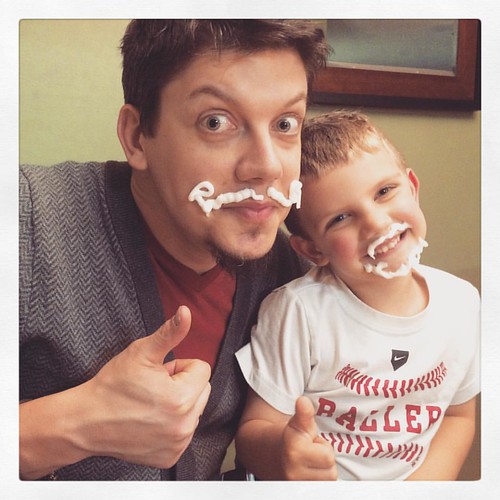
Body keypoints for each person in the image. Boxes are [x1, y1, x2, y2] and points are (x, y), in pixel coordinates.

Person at [19, 20, 329, 480]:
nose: (266, 166)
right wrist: (78, 424)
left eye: (285, 124)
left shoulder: (295, 280)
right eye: (216, 122)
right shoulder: (27, 218)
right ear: (137, 136)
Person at [235, 111, 480, 480]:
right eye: (340, 218)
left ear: (412, 188)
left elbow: (459, 416)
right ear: (312, 250)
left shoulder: (463, 304)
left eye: (385, 191)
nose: (377, 223)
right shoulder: (298, 312)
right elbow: (254, 431)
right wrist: (283, 455)